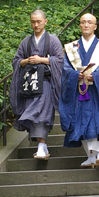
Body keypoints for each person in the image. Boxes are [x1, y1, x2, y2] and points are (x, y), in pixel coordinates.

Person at [59, 13, 99, 169]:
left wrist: (98, 77)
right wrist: (74, 75)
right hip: (79, 91)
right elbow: (65, 70)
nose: (86, 25)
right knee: (80, 123)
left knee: (98, 122)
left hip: (97, 93)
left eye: (89, 22)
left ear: (95, 26)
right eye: (83, 22)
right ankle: (90, 156)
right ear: (79, 26)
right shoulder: (71, 48)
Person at [10, 9, 63, 160]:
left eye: (39, 21)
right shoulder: (26, 42)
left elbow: (60, 60)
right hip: (30, 85)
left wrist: (42, 60)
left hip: (46, 84)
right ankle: (42, 145)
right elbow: (16, 61)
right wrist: (26, 61)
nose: (36, 24)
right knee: (32, 113)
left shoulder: (53, 40)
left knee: (41, 112)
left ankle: (41, 145)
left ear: (45, 21)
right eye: (33, 21)